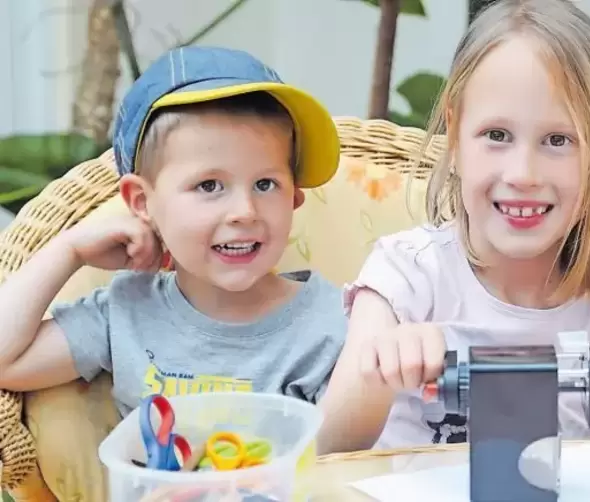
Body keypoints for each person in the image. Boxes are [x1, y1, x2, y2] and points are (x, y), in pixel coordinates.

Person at [318, 0, 590, 454]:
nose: (523, 173)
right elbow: (325, 452)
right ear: (455, 131)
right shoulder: (403, 276)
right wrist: (382, 371)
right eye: (497, 135)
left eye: (558, 140)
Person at [0, 46, 347, 419]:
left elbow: (355, 459)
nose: (245, 212)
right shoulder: (127, 313)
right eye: (209, 186)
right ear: (142, 201)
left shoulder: (331, 324)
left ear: (293, 197)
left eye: (265, 184)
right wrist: (69, 250)